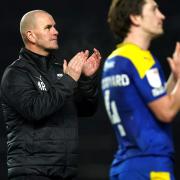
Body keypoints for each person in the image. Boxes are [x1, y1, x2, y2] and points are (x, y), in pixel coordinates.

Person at [0, 10, 101, 180]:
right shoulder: (16, 73)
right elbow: (35, 110)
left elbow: (86, 109)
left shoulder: (59, 71)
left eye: (54, 26)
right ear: (31, 36)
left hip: (65, 172)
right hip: (31, 172)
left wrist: (86, 79)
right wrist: (69, 79)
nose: (56, 31)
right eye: (48, 27)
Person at [101, 0, 180, 179]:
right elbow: (166, 111)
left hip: (126, 164)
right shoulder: (140, 59)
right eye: (154, 9)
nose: (162, 15)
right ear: (136, 18)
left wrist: (175, 78)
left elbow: (155, 101)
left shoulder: (115, 60)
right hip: (150, 165)